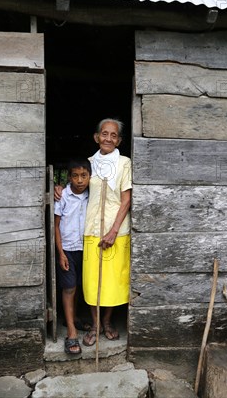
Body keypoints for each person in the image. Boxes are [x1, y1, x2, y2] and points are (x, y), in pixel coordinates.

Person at [82, 118, 132, 346]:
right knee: (93, 281)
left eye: (113, 135)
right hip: (92, 228)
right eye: (104, 134)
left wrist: (113, 231)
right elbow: (77, 185)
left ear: (119, 140)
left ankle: (108, 322)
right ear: (96, 137)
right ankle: (94, 324)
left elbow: (126, 199)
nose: (108, 139)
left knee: (111, 282)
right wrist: (59, 188)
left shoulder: (124, 163)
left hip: (116, 231)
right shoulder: (89, 163)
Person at [54, 158, 92, 354]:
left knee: (78, 287)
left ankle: (74, 318)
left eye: (84, 176)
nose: (79, 180)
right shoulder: (63, 197)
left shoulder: (92, 195)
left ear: (89, 177)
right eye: (75, 176)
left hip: (86, 249)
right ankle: (71, 331)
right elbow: (56, 226)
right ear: (69, 177)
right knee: (68, 288)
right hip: (67, 249)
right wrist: (60, 253)